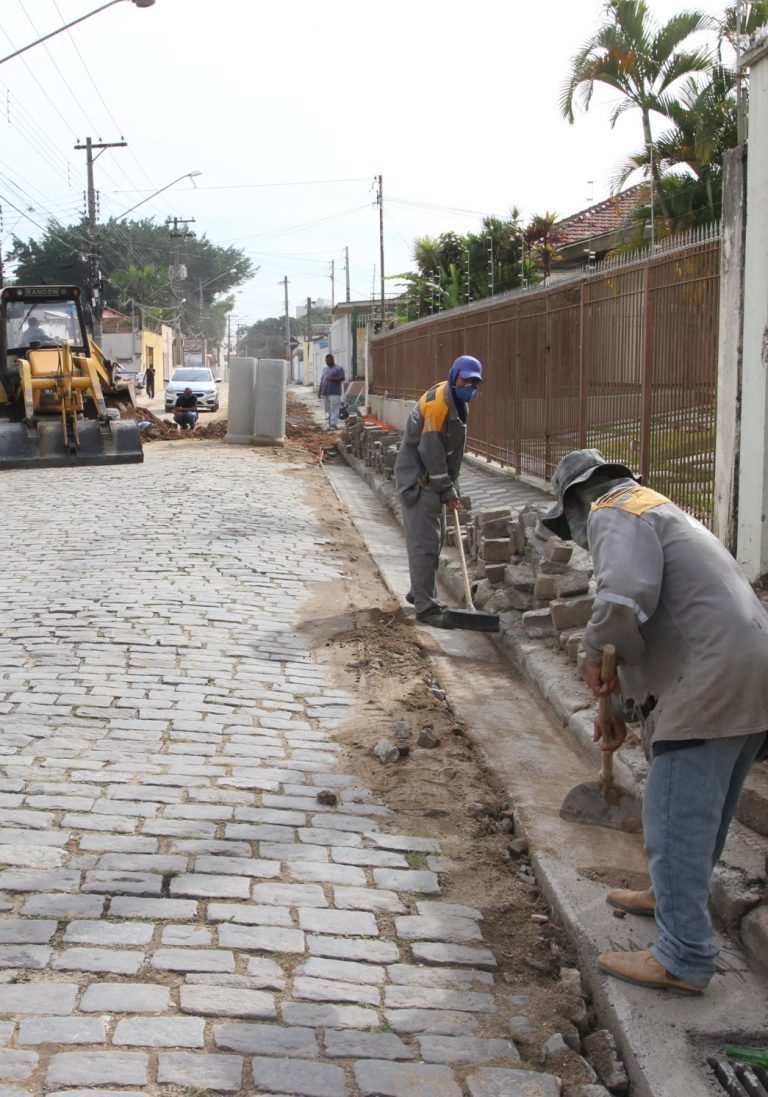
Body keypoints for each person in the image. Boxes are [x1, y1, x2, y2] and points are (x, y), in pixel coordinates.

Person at [542, 448, 768, 995]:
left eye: (572, 523)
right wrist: (621, 710)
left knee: (674, 818)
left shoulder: (615, 510)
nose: (578, 536)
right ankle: (669, 901)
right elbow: (666, 619)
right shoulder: (664, 509)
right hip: (748, 669)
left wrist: (593, 650)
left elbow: (623, 597)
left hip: (710, 679)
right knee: (705, 816)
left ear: (576, 502)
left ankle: (684, 955)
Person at [394, 354, 483, 629]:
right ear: (455, 375)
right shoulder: (438, 407)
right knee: (425, 546)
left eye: (475, 382)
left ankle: (419, 591)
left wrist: (451, 486)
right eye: (467, 380)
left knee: (437, 538)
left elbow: (450, 451)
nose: (471, 386)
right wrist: (447, 490)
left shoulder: (456, 400)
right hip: (420, 482)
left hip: (433, 481)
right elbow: (432, 453)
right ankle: (426, 608)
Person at [318, 353, 346, 430]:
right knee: (328, 410)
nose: (327, 361)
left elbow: (342, 378)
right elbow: (322, 380)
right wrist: (320, 391)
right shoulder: (325, 369)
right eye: (326, 360)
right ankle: (330, 424)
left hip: (334, 393)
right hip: (326, 393)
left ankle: (333, 425)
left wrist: (332, 378)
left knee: (334, 408)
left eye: (328, 360)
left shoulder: (339, 368)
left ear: (332, 359)